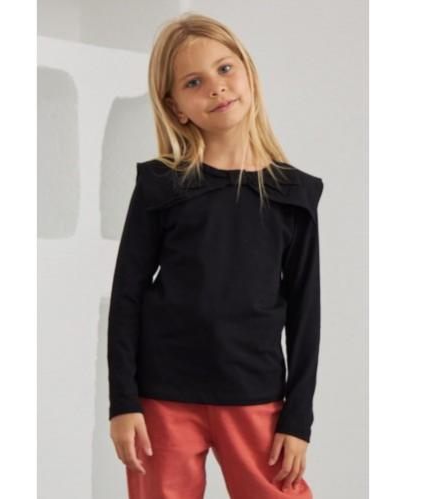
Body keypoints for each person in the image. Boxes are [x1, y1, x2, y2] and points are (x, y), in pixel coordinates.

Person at [107, 12, 324, 499]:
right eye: (194, 82)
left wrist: (298, 418)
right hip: (161, 398)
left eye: (225, 69)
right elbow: (127, 296)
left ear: (248, 72)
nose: (216, 87)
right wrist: (123, 401)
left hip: (255, 393)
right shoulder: (161, 186)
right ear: (176, 106)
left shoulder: (293, 195)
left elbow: (306, 313)